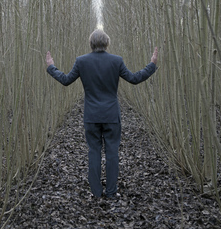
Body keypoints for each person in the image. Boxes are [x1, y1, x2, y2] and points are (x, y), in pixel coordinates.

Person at [45, 29, 158, 200]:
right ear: (107, 43)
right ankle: (112, 193)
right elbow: (134, 79)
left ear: (91, 44)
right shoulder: (116, 61)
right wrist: (152, 64)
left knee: (94, 152)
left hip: (92, 116)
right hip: (111, 115)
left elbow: (66, 80)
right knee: (112, 153)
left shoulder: (81, 61)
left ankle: (96, 193)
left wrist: (51, 67)